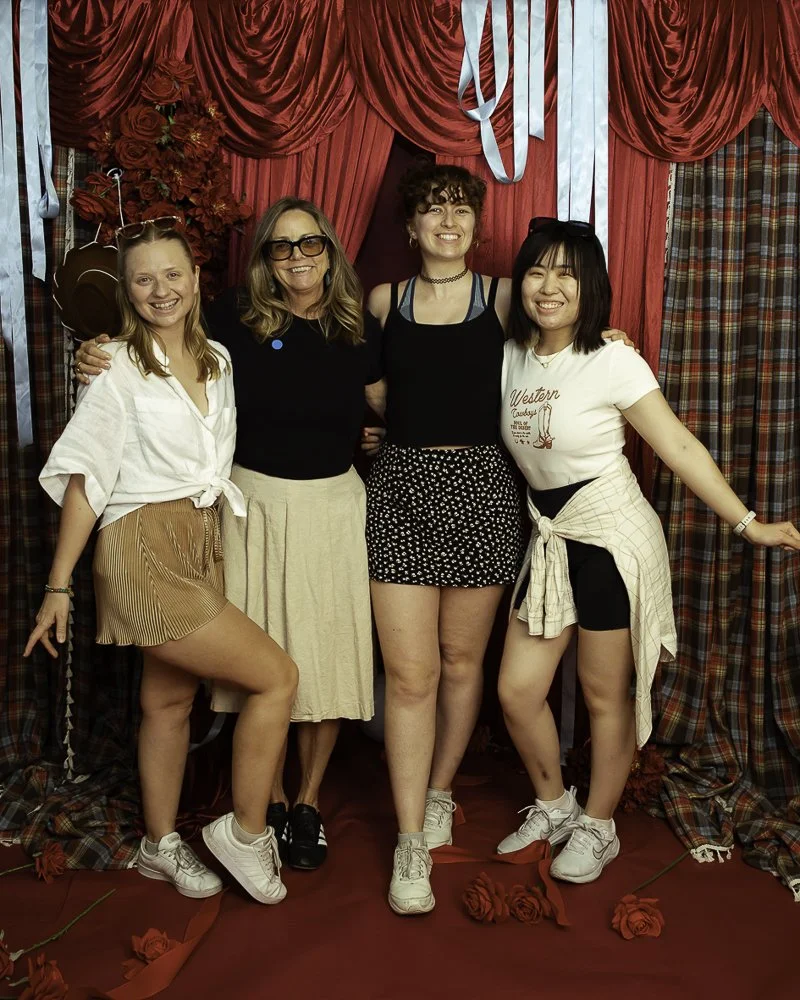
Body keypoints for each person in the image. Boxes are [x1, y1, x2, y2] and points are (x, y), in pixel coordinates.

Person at [74, 198, 383, 872]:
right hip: (251, 508)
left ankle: (306, 802)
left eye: (311, 244)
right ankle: (263, 802)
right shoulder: (233, 320)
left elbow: (400, 399)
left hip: (333, 507)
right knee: (262, 661)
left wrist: (387, 431)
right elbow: (158, 339)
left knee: (325, 654)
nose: (298, 257)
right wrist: (95, 350)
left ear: (331, 251)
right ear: (265, 260)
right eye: (281, 246)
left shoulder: (359, 328)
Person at [364, 163, 632, 915]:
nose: (447, 222)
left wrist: (609, 336)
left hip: (484, 491)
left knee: (459, 661)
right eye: (432, 210)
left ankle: (441, 788)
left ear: (477, 228)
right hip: (402, 491)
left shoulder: (505, 294)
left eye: (459, 211)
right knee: (409, 675)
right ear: (411, 227)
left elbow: (562, 328)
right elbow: (367, 386)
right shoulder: (386, 301)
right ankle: (410, 839)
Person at [496, 217, 800, 883]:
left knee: (605, 695)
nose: (548, 287)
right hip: (551, 541)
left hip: (607, 539)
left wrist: (748, 522)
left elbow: (679, 446)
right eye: (537, 271)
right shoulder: (512, 350)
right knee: (518, 691)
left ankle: (598, 826)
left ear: (591, 287)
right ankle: (554, 804)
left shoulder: (613, 359)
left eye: (567, 274)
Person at [26, 219, 298, 904]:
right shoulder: (115, 366)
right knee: (276, 677)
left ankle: (157, 844)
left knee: (169, 699)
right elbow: (88, 476)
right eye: (143, 279)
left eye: (172, 274)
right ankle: (245, 830)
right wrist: (59, 583)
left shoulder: (219, 361)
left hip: (202, 536)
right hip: (143, 544)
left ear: (196, 279)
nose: (160, 289)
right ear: (127, 291)